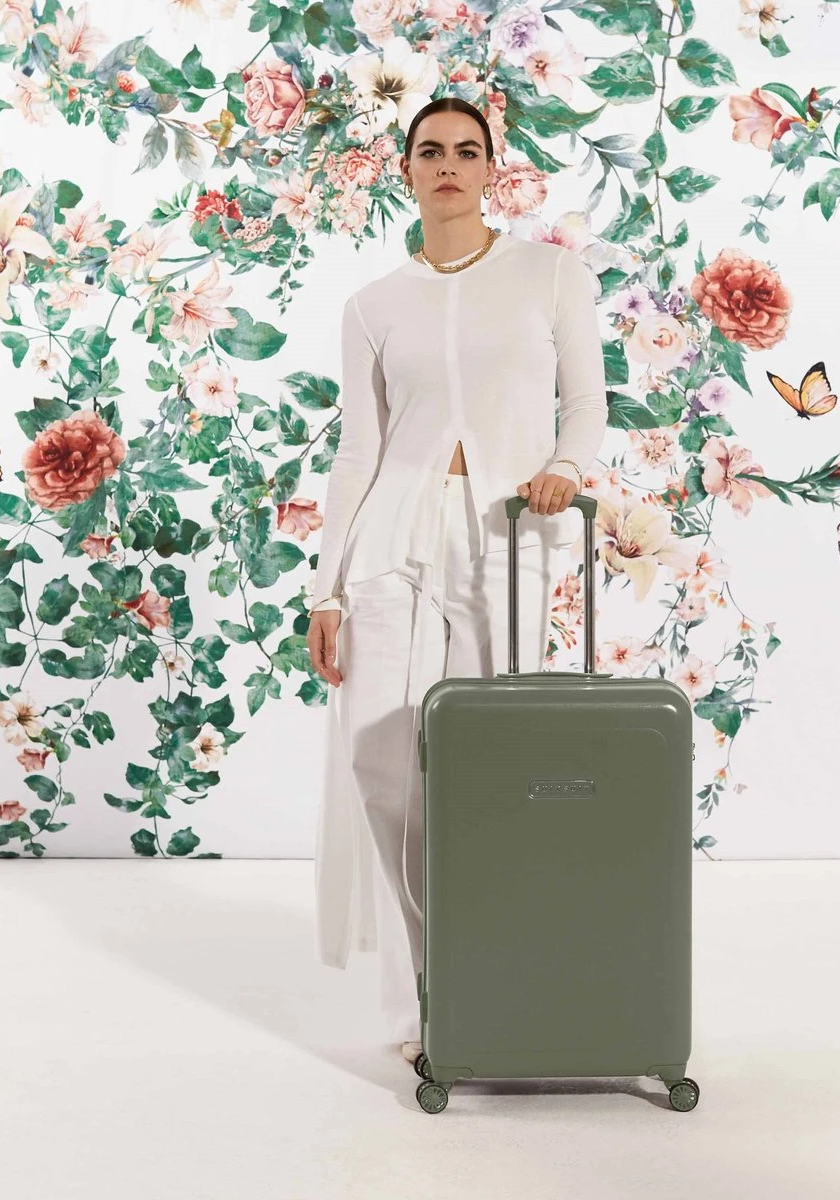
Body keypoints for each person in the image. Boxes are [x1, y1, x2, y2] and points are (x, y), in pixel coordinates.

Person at [305, 97, 608, 1065]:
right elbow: (357, 452)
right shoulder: (372, 306)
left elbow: (587, 405)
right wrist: (326, 589)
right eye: (430, 150)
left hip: (506, 536)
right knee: (382, 765)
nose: (448, 164)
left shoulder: (550, 276)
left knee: (488, 765)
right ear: (406, 170)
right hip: (391, 537)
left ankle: (495, 977)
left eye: (466, 151)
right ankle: (420, 1004)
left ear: (491, 170)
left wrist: (565, 467)